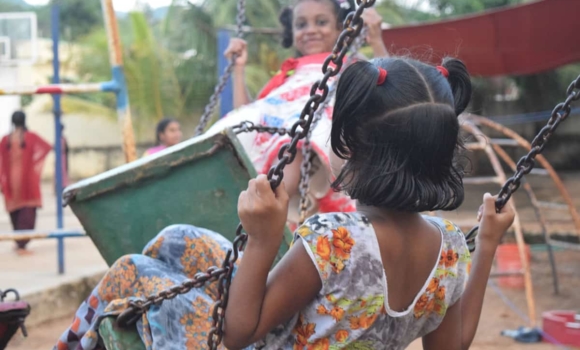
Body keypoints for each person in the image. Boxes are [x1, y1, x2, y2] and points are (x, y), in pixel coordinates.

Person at [55, 57, 515, 350]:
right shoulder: (453, 248)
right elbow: (452, 346)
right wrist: (487, 245)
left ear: (350, 146)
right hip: (310, 315)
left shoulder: (335, 241)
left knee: (132, 271)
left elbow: (238, 333)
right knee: (182, 241)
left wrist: (263, 239)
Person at [209, 0, 389, 227]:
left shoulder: (352, 64)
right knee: (282, 138)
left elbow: (388, 84)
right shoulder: (289, 72)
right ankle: (263, 207)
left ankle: (268, 209)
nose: (310, 30)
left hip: (327, 142)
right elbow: (250, 114)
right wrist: (239, 69)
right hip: (288, 143)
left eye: (321, 22)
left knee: (293, 140)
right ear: (292, 32)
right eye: (301, 25)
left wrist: (376, 41)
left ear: (340, 28)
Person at [0, 111, 52, 255]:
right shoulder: (31, 137)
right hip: (27, 181)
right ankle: (22, 245)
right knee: (27, 214)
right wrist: (33, 163)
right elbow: (47, 147)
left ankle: (18, 242)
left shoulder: (5, 140)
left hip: (10, 181)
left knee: (15, 212)